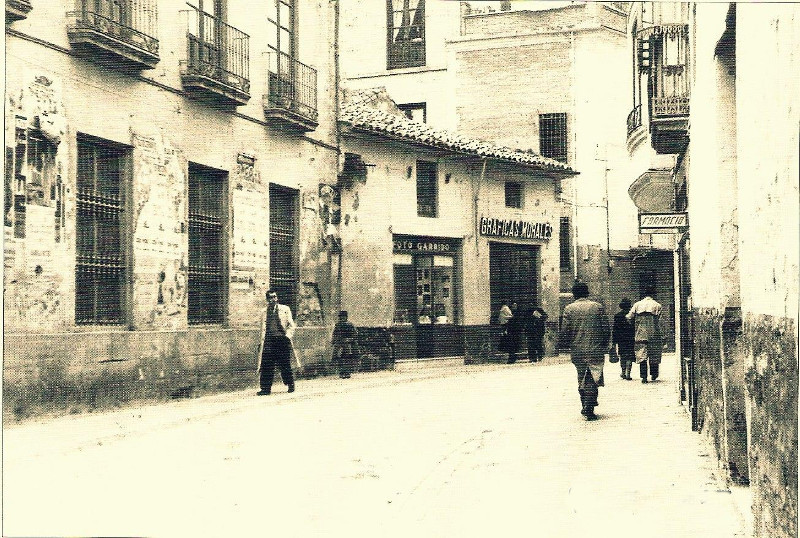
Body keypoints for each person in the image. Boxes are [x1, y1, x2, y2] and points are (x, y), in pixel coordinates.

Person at [560, 282, 610, 420]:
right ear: (587, 293)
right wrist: (605, 344)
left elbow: (565, 331)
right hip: (595, 348)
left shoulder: (569, 309)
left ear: (574, 294)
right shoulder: (597, 307)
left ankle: (585, 404)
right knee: (594, 377)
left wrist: (567, 343)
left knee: (581, 376)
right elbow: (606, 328)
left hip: (577, 350)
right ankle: (590, 405)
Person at [256, 289, 297, 395]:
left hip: (281, 340)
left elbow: (291, 325)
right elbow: (262, 329)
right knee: (266, 365)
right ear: (267, 299)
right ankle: (265, 388)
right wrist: (261, 342)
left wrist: (287, 337)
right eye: (270, 298)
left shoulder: (285, 309)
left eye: (274, 297)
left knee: (284, 364)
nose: (272, 299)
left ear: (277, 298)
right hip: (269, 341)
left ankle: (290, 384)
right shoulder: (263, 312)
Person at [626, 285, 663, 383]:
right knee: (654, 355)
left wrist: (635, 325)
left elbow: (629, 317)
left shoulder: (637, 305)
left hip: (640, 334)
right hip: (654, 333)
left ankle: (644, 377)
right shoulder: (657, 305)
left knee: (642, 356)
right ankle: (654, 374)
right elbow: (660, 321)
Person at [331, 310, 358, 379]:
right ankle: (341, 372)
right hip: (339, 343)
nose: (341, 318)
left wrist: (349, 339)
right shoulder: (337, 325)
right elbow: (334, 334)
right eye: (340, 317)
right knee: (336, 357)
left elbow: (355, 334)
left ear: (346, 317)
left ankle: (347, 372)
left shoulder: (350, 325)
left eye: (343, 317)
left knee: (347, 357)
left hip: (347, 343)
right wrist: (333, 341)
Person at [612, 298, 635, 380]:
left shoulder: (617, 316)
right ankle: (628, 373)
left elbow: (615, 329)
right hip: (630, 337)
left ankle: (623, 372)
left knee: (622, 356)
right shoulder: (632, 315)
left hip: (621, 339)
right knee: (629, 356)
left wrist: (614, 341)